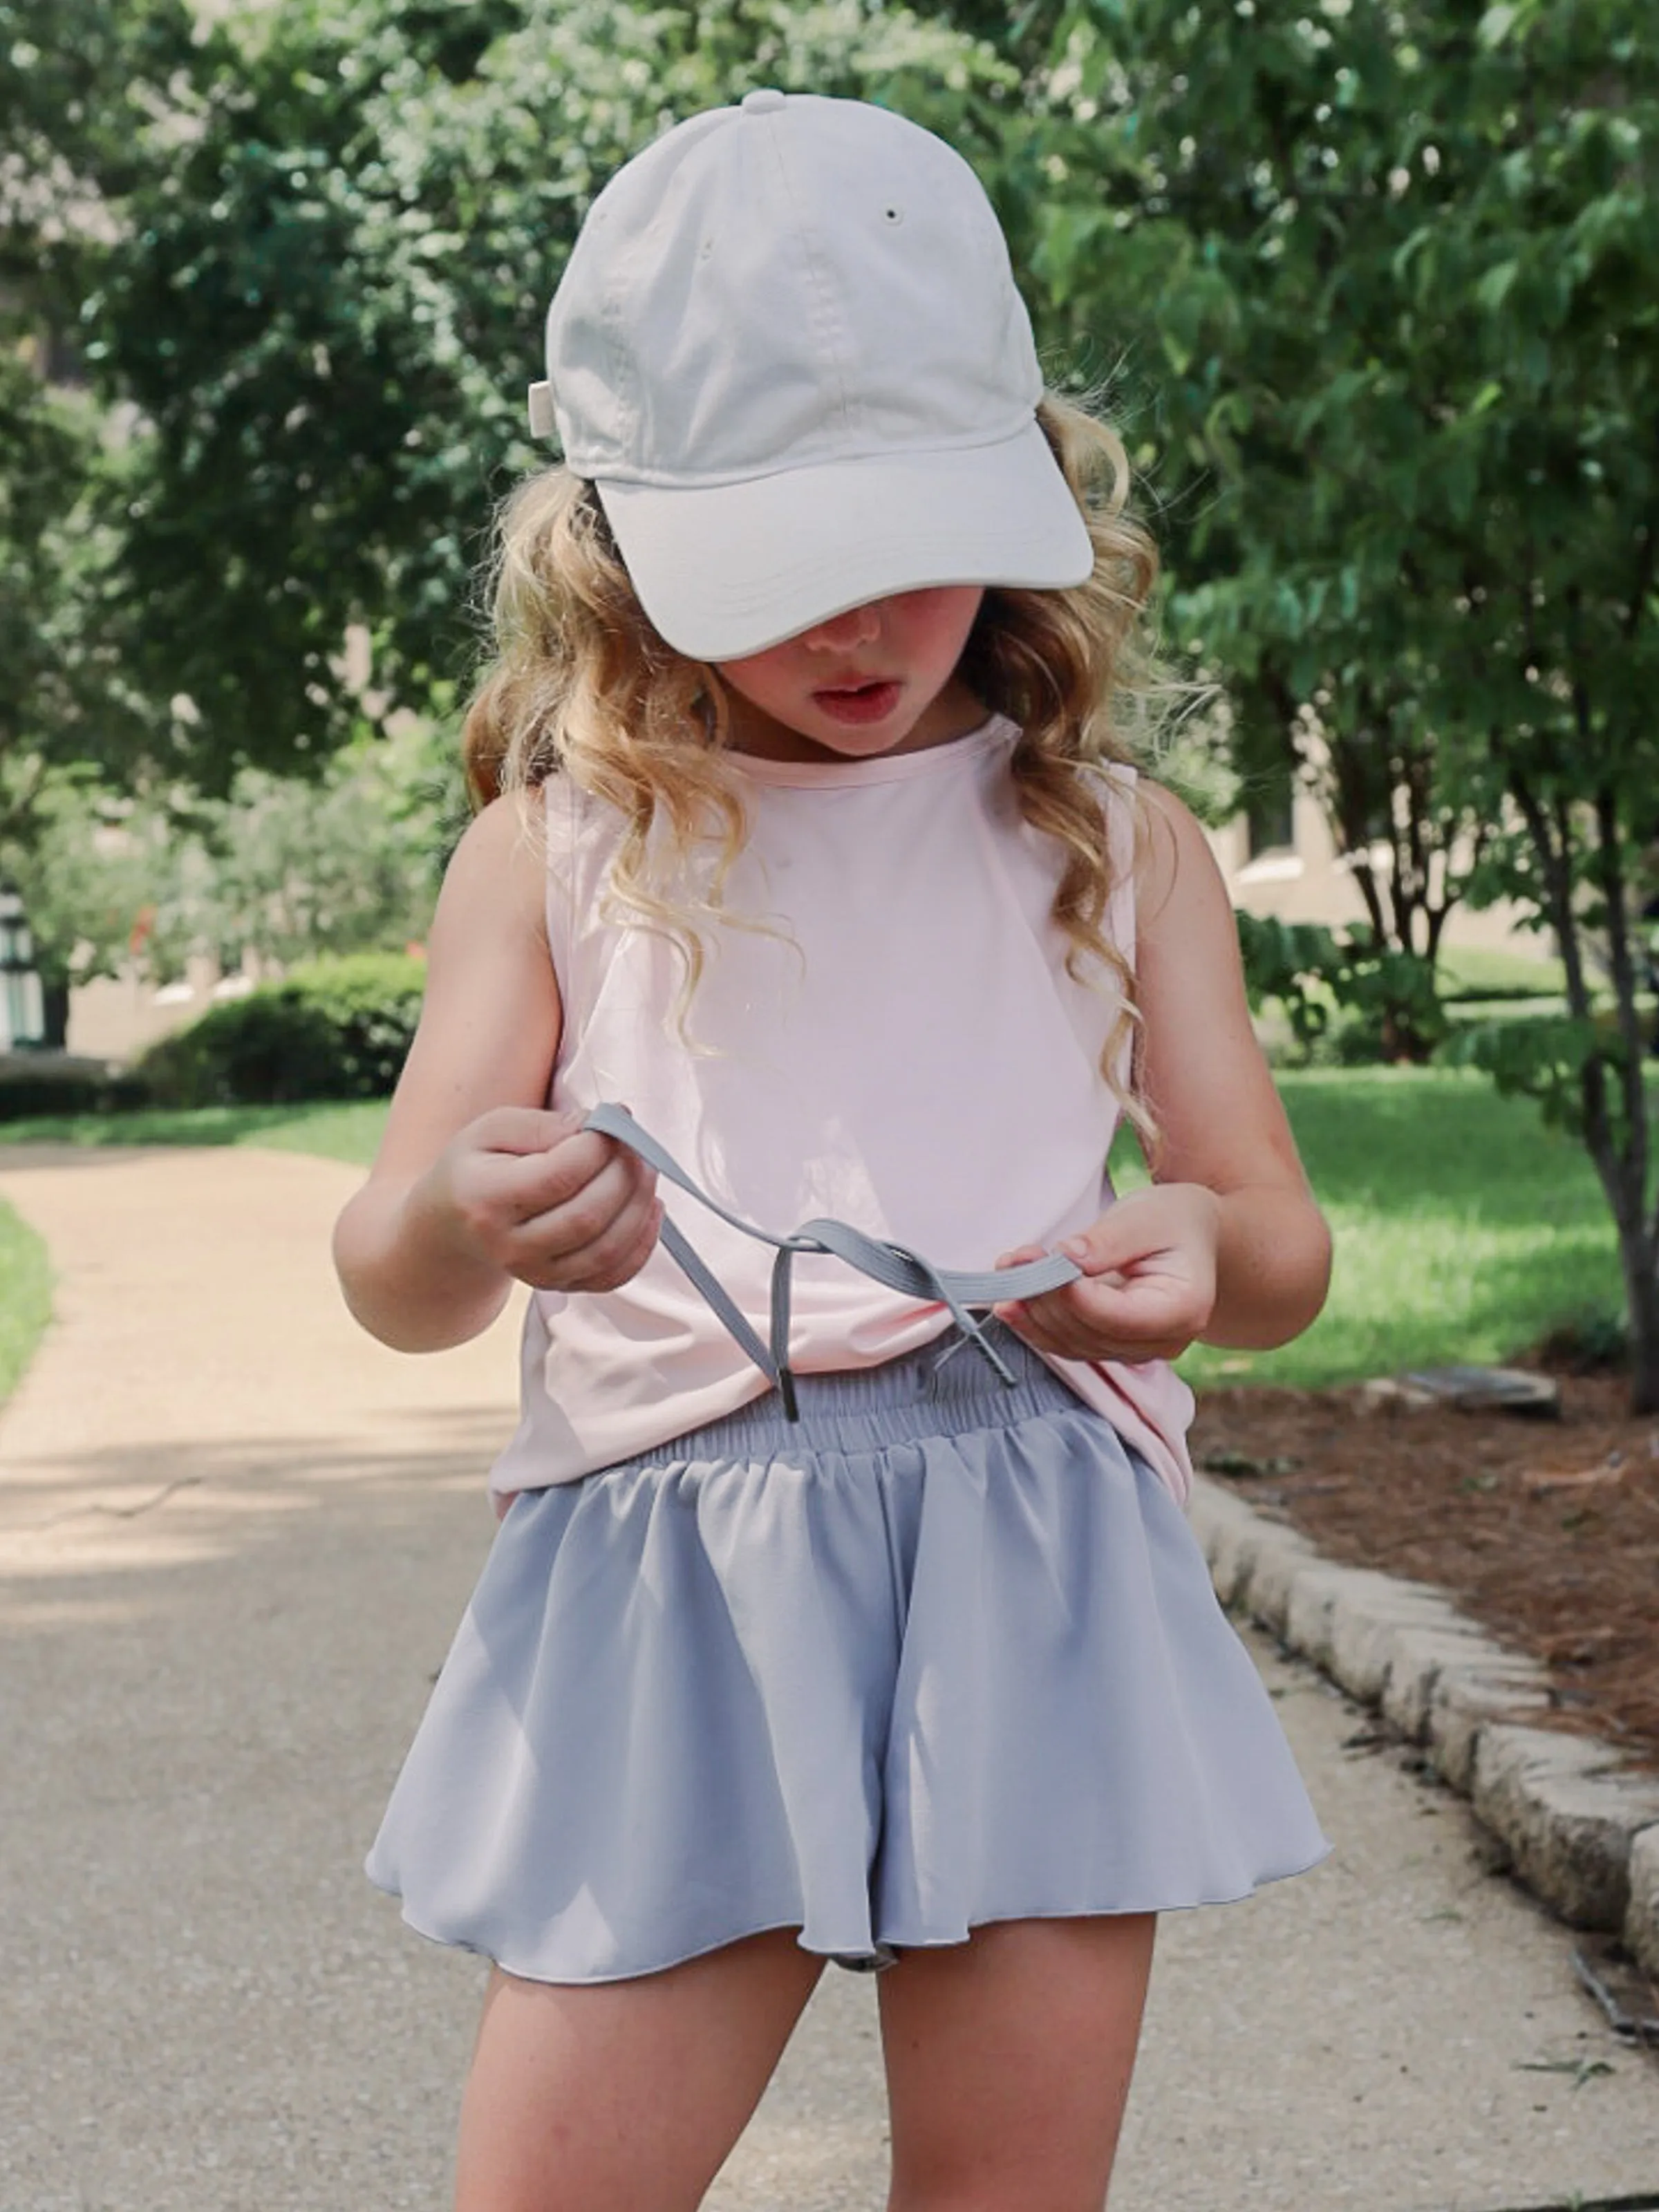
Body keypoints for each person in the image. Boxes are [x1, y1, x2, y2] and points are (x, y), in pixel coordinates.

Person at [334, 89, 1333, 2212]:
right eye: (789, 571)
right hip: (679, 1571)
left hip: (1038, 1549)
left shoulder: (1119, 841)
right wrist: (464, 1216)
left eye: (919, 553)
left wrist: (1196, 1251)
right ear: (622, 545)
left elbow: (1276, 1239)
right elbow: (394, 1277)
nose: (868, 631)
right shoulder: (552, 855)